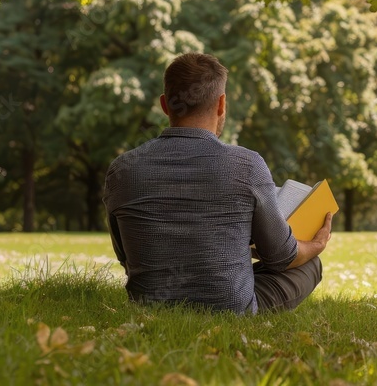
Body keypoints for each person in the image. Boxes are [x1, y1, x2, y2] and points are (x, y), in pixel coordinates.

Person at [103, 52, 332, 314]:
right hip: (231, 308)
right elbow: (283, 257)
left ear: (165, 105)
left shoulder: (121, 169)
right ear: (221, 104)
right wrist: (316, 245)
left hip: (149, 305)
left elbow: (125, 257)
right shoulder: (247, 165)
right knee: (310, 263)